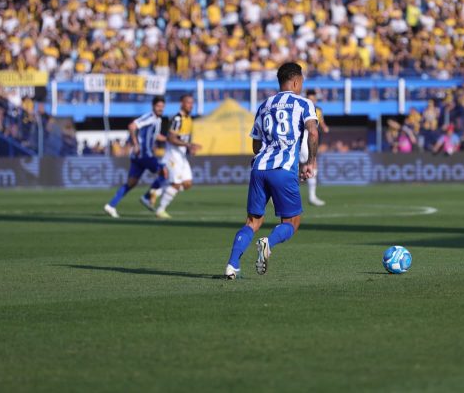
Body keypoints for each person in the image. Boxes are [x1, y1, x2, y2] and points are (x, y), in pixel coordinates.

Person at [223, 62, 319, 280]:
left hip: (259, 168)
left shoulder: (264, 105)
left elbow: (256, 144)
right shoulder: (304, 104)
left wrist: (261, 156)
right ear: (296, 81)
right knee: (291, 223)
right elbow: (312, 133)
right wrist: (311, 162)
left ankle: (232, 264)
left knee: (252, 222)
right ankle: (269, 243)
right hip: (283, 170)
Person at [103, 96, 168, 219]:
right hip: (144, 155)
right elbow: (132, 126)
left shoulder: (157, 120)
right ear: (153, 106)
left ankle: (111, 205)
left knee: (131, 183)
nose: (160, 109)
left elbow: (155, 136)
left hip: (138, 157)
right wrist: (136, 144)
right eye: (158, 106)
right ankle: (147, 197)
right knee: (165, 173)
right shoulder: (149, 117)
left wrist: (168, 139)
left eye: (162, 107)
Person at [141, 94, 201, 218]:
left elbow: (184, 139)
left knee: (188, 183)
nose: (191, 105)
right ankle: (160, 210)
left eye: (192, 103)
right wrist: (188, 145)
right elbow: (171, 138)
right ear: (182, 103)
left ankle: (156, 192)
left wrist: (190, 149)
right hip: (173, 156)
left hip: (182, 156)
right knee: (176, 184)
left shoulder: (189, 119)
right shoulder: (177, 119)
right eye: (188, 102)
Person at [301, 89, 329, 206]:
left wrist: (325, 127)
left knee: (302, 169)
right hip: (303, 139)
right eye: (310, 99)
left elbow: (321, 123)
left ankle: (312, 196)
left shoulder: (318, 110)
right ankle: (312, 197)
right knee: (310, 165)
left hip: (311, 139)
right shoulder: (302, 108)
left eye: (314, 99)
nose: (312, 101)